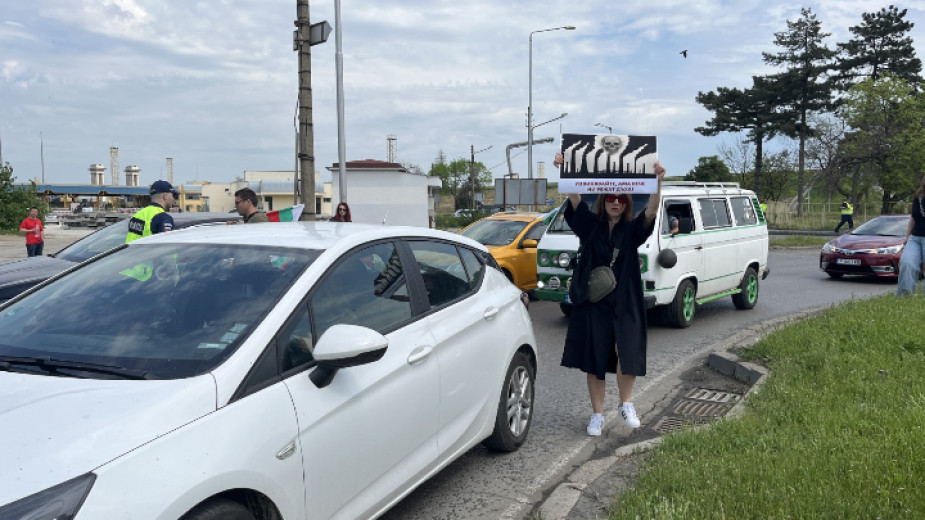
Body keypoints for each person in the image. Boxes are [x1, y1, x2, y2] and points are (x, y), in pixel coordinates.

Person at [553, 152, 666, 436]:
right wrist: (566, 170)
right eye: (611, 198)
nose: (616, 202)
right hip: (595, 303)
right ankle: (597, 415)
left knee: (626, 352)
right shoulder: (591, 226)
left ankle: (626, 403)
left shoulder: (631, 231)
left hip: (626, 302)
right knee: (596, 357)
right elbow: (576, 200)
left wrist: (657, 181)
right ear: (603, 201)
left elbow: (651, 212)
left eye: (621, 198)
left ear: (627, 203)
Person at [896, 176, 925, 296]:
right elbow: (913, 218)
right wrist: (907, 237)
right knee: (907, 262)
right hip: (915, 237)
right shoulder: (918, 197)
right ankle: (905, 296)